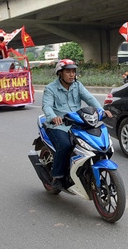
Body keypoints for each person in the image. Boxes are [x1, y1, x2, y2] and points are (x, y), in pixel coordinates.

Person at [42, 59, 113, 192]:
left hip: (77, 123)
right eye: (68, 71)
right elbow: (47, 105)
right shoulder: (50, 88)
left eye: (73, 71)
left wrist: (101, 111)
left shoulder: (77, 85)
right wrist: (53, 117)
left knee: (92, 142)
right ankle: (57, 177)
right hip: (58, 125)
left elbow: (90, 98)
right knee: (65, 145)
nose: (71, 74)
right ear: (60, 73)